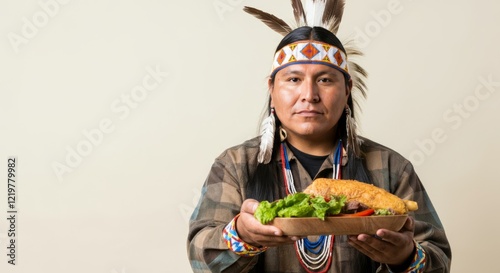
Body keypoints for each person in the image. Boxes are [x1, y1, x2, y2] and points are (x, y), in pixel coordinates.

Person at [187, 1, 451, 272]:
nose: (309, 95)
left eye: (325, 80)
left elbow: (439, 261)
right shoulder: (235, 165)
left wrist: (405, 256)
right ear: (272, 89)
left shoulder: (390, 167)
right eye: (293, 80)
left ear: (347, 89)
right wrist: (240, 235)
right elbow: (200, 259)